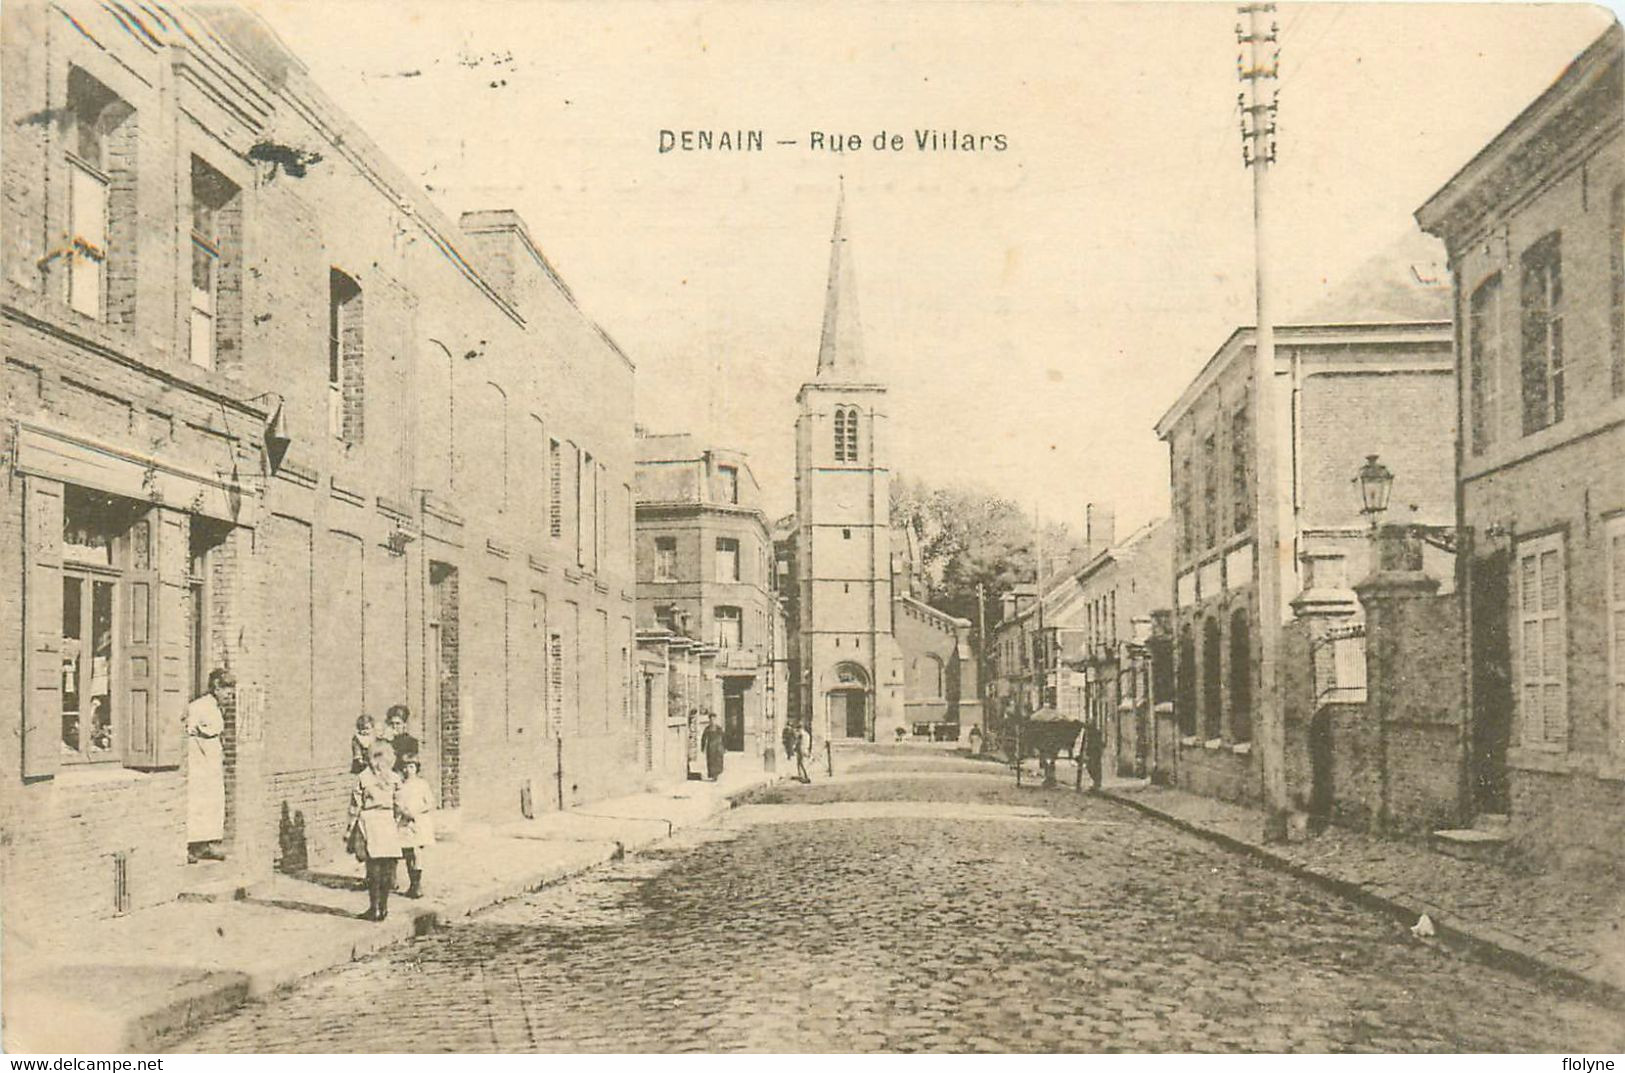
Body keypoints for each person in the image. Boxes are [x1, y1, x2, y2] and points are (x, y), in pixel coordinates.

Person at [347, 740, 403, 921]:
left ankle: (374, 908)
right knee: (387, 866)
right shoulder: (394, 778)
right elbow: (399, 805)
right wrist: (395, 822)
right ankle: (384, 908)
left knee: (373, 868)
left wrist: (349, 829)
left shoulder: (363, 778)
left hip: (370, 821)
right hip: (387, 822)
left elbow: (355, 806)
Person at [186, 669, 232, 863]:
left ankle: (206, 843)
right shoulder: (199, 706)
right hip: (198, 759)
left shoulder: (217, 708)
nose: (230, 695)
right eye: (227, 690)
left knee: (213, 802)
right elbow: (189, 730)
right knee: (197, 801)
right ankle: (190, 845)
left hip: (212, 760)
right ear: (216, 688)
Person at [395, 752, 435, 899]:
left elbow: (430, 802)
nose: (408, 770)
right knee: (407, 852)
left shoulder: (422, 784)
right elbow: (397, 802)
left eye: (411, 767)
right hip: (405, 822)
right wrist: (403, 812)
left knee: (417, 852)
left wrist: (416, 811)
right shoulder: (400, 785)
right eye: (405, 767)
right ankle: (412, 883)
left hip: (419, 821)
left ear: (416, 768)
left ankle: (417, 885)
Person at [384, 705, 418, 775]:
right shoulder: (383, 741)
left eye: (398, 724)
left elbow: (406, 762)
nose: (394, 727)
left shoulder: (411, 742)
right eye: (391, 723)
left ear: (404, 725)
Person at [700, 713, 725, 781]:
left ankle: (716, 775)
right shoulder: (707, 729)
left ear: (715, 720)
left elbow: (724, 738)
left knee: (718, 761)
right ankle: (713, 775)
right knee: (711, 762)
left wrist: (724, 747)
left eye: (713, 719)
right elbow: (703, 738)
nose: (712, 721)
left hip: (718, 747)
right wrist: (702, 747)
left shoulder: (719, 728)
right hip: (710, 747)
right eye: (711, 719)